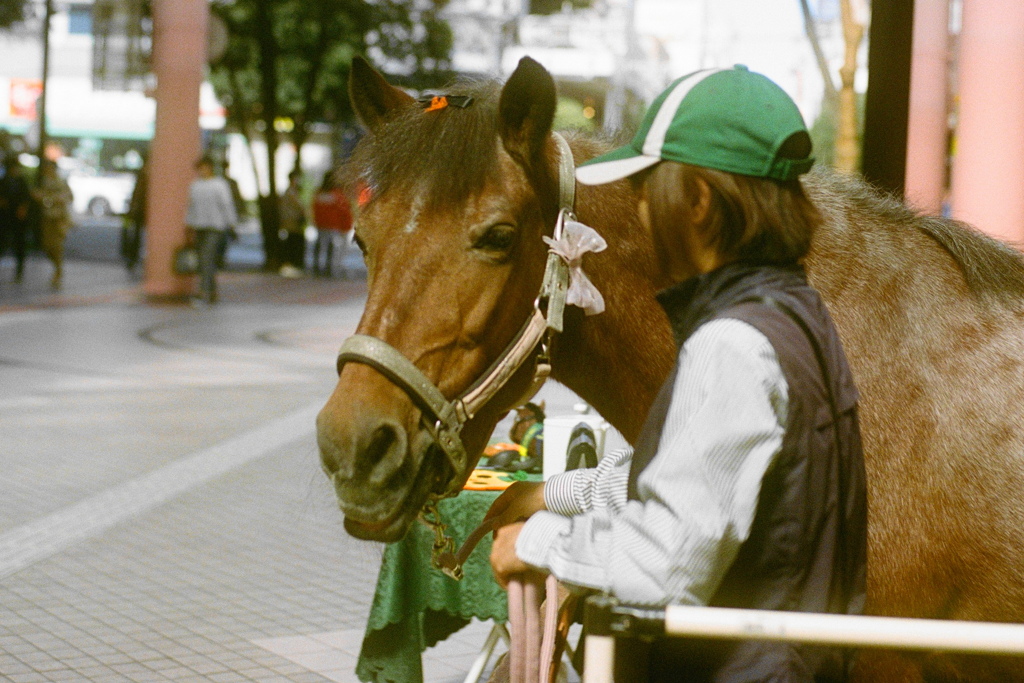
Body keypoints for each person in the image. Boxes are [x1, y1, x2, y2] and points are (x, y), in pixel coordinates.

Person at [488, 66, 868, 681]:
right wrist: (551, 494)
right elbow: (701, 474)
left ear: (696, 201)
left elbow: (663, 569)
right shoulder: (797, 315)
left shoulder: (732, 345)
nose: (636, 208)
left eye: (646, 187)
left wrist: (533, 546)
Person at [185, 155, 237, 304]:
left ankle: (204, 293)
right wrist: (188, 225)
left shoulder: (219, 185)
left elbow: (227, 205)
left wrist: (231, 224)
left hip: (216, 227)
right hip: (199, 227)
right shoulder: (195, 185)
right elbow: (191, 207)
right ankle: (212, 292)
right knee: (205, 260)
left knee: (206, 259)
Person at [33, 160, 74, 289]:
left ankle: (58, 271)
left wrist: (51, 199)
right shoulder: (44, 182)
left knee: (56, 246)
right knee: (47, 245)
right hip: (47, 217)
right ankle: (57, 268)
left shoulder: (60, 182)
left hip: (58, 218)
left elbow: (68, 197)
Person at [310, 172, 353, 278]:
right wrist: (346, 225)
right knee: (331, 247)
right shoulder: (337, 193)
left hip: (321, 225)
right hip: (334, 225)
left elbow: (314, 208)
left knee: (320, 245)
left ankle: (317, 267)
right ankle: (329, 269)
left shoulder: (319, 192)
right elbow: (344, 210)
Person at [0, 156, 33, 282]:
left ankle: (20, 269)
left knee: (19, 243)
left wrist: (22, 209)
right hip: (6, 216)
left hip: (18, 218)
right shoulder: (4, 181)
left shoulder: (21, 181)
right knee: (3, 241)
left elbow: (26, 198)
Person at [278, 169, 307, 278]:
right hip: (292, 222)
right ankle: (292, 266)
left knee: (294, 242)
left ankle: (292, 266)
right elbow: (300, 206)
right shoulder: (290, 192)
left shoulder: (292, 191)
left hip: (293, 222)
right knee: (293, 243)